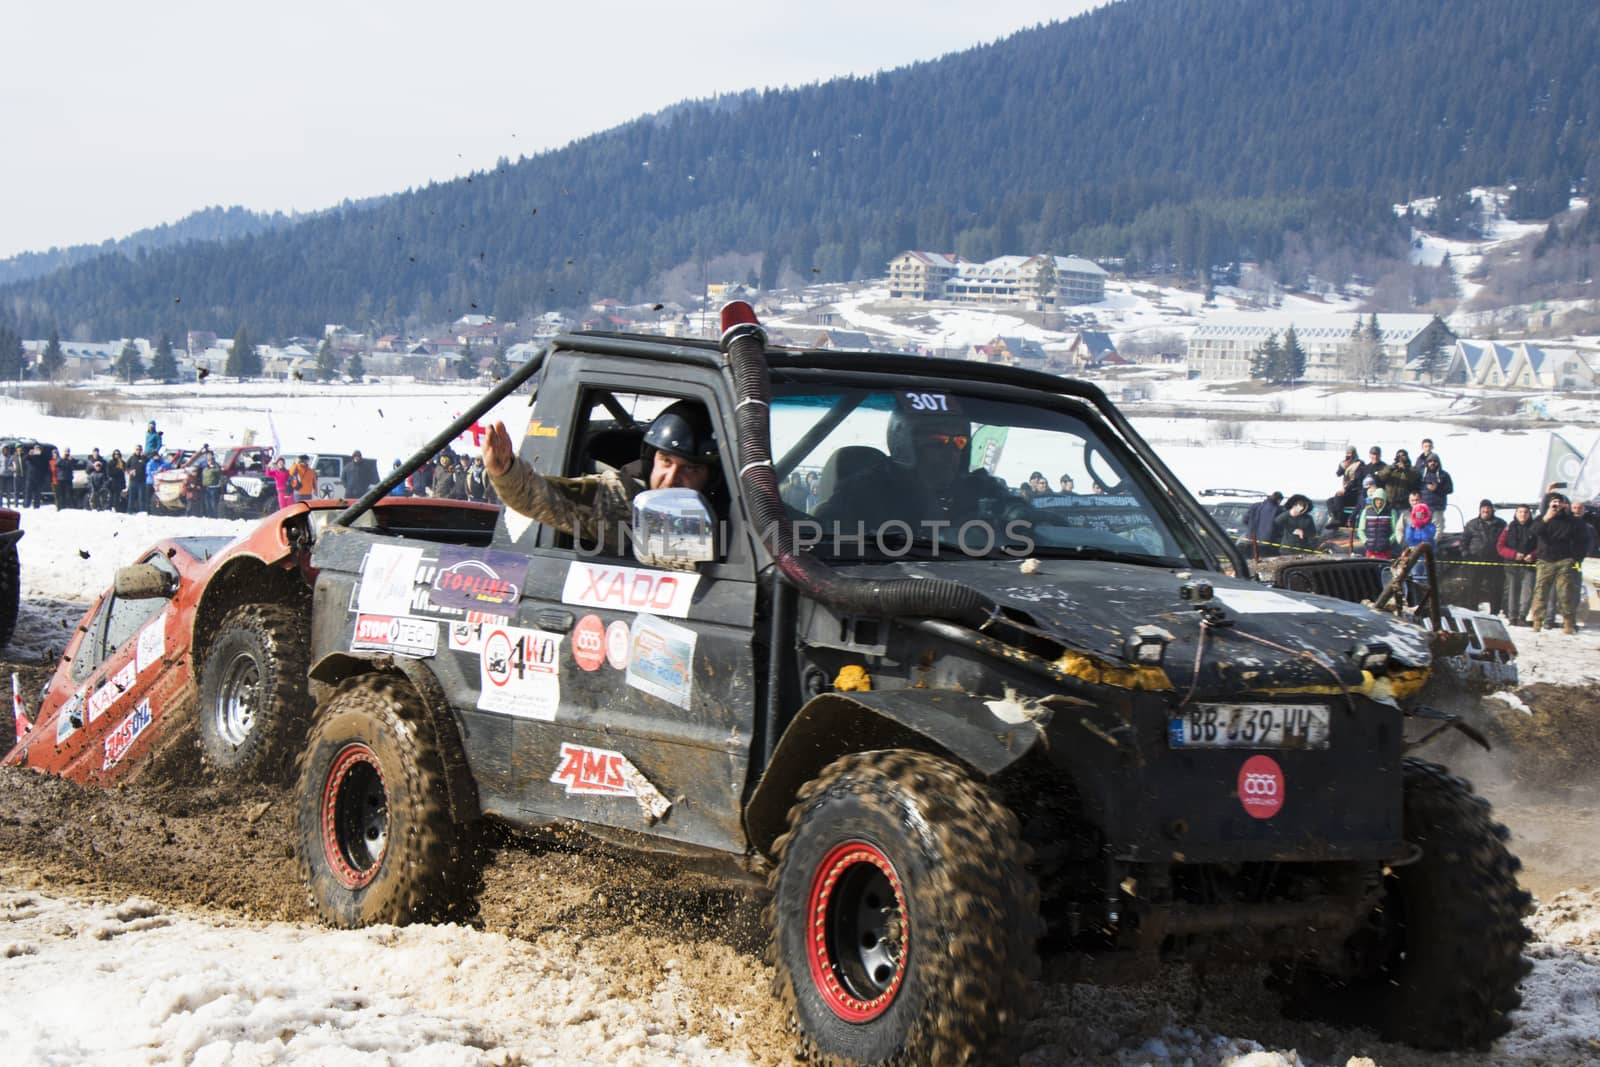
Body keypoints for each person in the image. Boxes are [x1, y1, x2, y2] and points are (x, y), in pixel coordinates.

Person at [485, 401, 718, 551]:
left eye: (690, 469)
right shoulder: (624, 501)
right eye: (666, 461)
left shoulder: (735, 512)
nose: (671, 478)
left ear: (711, 476)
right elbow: (549, 499)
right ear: (650, 460)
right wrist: (507, 473)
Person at [1529, 493, 1586, 633]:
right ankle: (1537, 622)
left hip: (1565, 561)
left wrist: (1576, 558)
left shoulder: (1572, 521)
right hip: (1545, 561)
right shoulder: (1542, 518)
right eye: (1554, 502)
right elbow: (1535, 531)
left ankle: (1568, 623)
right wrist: (1547, 516)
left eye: (1559, 503)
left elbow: (1583, 540)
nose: (1557, 505)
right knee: (1540, 592)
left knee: (1566, 593)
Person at [1461, 500, 1508, 614]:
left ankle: (1495, 612)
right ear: (1480, 510)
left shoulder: (1501, 524)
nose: (1486, 511)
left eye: (1488, 509)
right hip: (1476, 560)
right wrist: (1466, 555)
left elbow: (1506, 541)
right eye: (1484, 509)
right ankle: (1472, 611)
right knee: (1473, 587)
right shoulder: (1472, 524)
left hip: (1495, 561)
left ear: (1492, 510)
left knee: (1495, 588)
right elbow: (1463, 542)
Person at [1498, 504, 1538, 626]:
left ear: (1529, 514)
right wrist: (1514, 554)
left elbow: (1541, 545)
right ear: (1516, 513)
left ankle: (1522, 616)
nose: (1523, 514)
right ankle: (1512, 617)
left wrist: (1533, 555)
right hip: (1512, 565)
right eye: (1520, 512)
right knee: (1512, 591)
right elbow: (1500, 546)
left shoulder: (1535, 527)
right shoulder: (1509, 528)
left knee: (1527, 592)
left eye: (1525, 512)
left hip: (1529, 565)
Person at [1357, 486, 1400, 560]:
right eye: (1377, 499)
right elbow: (1360, 530)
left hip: (1385, 551)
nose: (1379, 502)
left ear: (1385, 500)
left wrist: (1388, 542)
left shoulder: (1391, 512)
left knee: (1384, 570)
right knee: (1370, 570)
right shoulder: (1366, 511)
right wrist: (1366, 541)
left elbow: (1396, 530)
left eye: (1381, 500)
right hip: (1370, 550)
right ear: (1374, 499)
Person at [1328, 446, 1364, 528]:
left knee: (1338, 497)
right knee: (1329, 501)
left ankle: (1340, 518)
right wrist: (1344, 465)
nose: (1349, 455)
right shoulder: (1344, 462)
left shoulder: (1359, 463)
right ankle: (1335, 517)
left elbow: (1355, 479)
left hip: (1355, 491)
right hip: (1347, 490)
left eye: (1350, 453)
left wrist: (1345, 489)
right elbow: (1338, 474)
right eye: (1347, 453)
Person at [1242, 491, 1284, 557]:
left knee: (1250, 562)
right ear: (1279, 500)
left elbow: (1245, 520)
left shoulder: (1255, 505)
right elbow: (1279, 526)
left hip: (1250, 540)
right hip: (1266, 542)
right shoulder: (1278, 510)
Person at [1418, 455, 1453, 531]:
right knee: (1420, 527)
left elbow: (1450, 489)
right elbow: (1415, 489)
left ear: (1438, 463)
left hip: (1438, 507)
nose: (1432, 463)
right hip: (1422, 508)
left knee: (1438, 528)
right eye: (1430, 461)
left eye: (1435, 461)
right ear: (1427, 463)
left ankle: (1433, 543)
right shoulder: (1421, 474)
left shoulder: (1444, 475)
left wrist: (1438, 488)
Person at [23, 444, 49, 509]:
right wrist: (29, 454)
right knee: (28, 494)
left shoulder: (43, 457)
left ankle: (36, 507)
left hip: (39, 479)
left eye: (38, 449)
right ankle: (26, 506)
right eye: (36, 449)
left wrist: (45, 478)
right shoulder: (30, 457)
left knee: (37, 495)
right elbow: (24, 460)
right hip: (30, 478)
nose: (37, 451)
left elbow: (46, 468)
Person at [124, 445, 148, 513]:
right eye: (137, 449)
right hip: (133, 481)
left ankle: (142, 512)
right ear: (135, 450)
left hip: (142, 481)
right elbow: (126, 467)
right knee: (131, 497)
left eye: (140, 449)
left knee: (141, 498)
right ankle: (129, 511)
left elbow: (148, 466)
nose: (138, 451)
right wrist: (129, 471)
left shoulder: (145, 458)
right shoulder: (132, 458)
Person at [201, 449, 224, 517]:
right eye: (208, 459)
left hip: (213, 488)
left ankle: (214, 516)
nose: (209, 461)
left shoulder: (216, 466)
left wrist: (214, 466)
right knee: (207, 503)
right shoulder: (205, 467)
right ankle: (209, 516)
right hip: (206, 488)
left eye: (210, 459)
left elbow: (219, 474)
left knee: (213, 503)